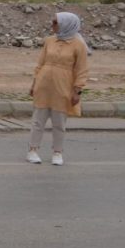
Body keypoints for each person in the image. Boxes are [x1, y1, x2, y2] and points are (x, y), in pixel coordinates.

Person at [27, 12, 89, 166]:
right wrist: (34, 84)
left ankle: (57, 152)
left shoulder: (78, 45)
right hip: (44, 84)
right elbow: (40, 63)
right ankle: (33, 150)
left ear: (66, 24)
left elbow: (82, 70)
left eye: (55, 22)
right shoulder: (49, 41)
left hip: (63, 86)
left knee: (59, 122)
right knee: (38, 120)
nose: (52, 25)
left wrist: (77, 90)